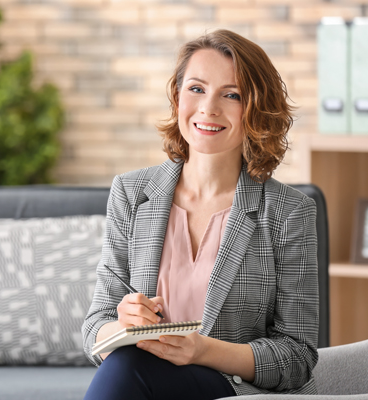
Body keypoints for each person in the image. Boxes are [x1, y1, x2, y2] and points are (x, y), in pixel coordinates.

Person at [81, 29, 319, 399]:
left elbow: (297, 356)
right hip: (135, 376)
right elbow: (94, 326)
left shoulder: (289, 211)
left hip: (227, 389)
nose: (209, 107)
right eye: (196, 89)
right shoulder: (130, 194)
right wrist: (121, 324)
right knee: (126, 364)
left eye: (232, 95)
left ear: (255, 108)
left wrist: (204, 350)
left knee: (128, 370)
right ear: (177, 98)